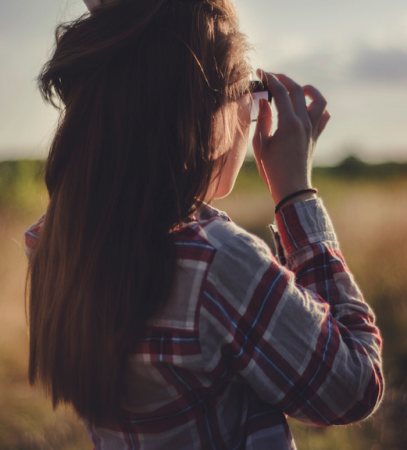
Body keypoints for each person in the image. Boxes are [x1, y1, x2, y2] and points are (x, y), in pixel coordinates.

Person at [24, 0, 383, 448]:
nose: (252, 112)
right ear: (206, 116)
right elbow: (354, 386)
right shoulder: (216, 266)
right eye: (248, 90)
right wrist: (295, 195)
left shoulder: (52, 243)